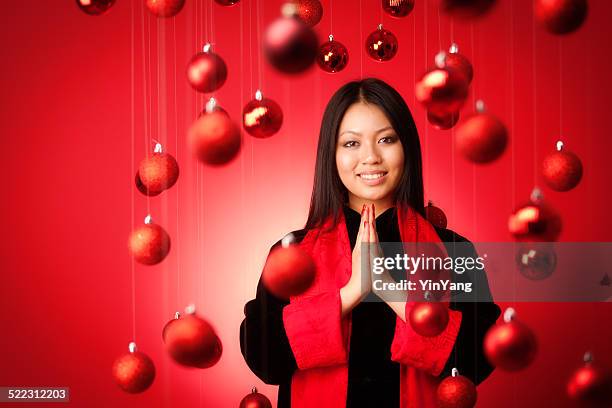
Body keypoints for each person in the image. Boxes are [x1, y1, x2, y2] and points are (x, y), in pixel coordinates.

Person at [240, 78, 501, 408]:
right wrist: (350, 294)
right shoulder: (291, 254)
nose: (371, 157)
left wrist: (391, 292)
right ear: (330, 154)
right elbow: (263, 358)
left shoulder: (454, 251)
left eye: (387, 139)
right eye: (351, 144)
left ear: (406, 147)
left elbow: (478, 362)